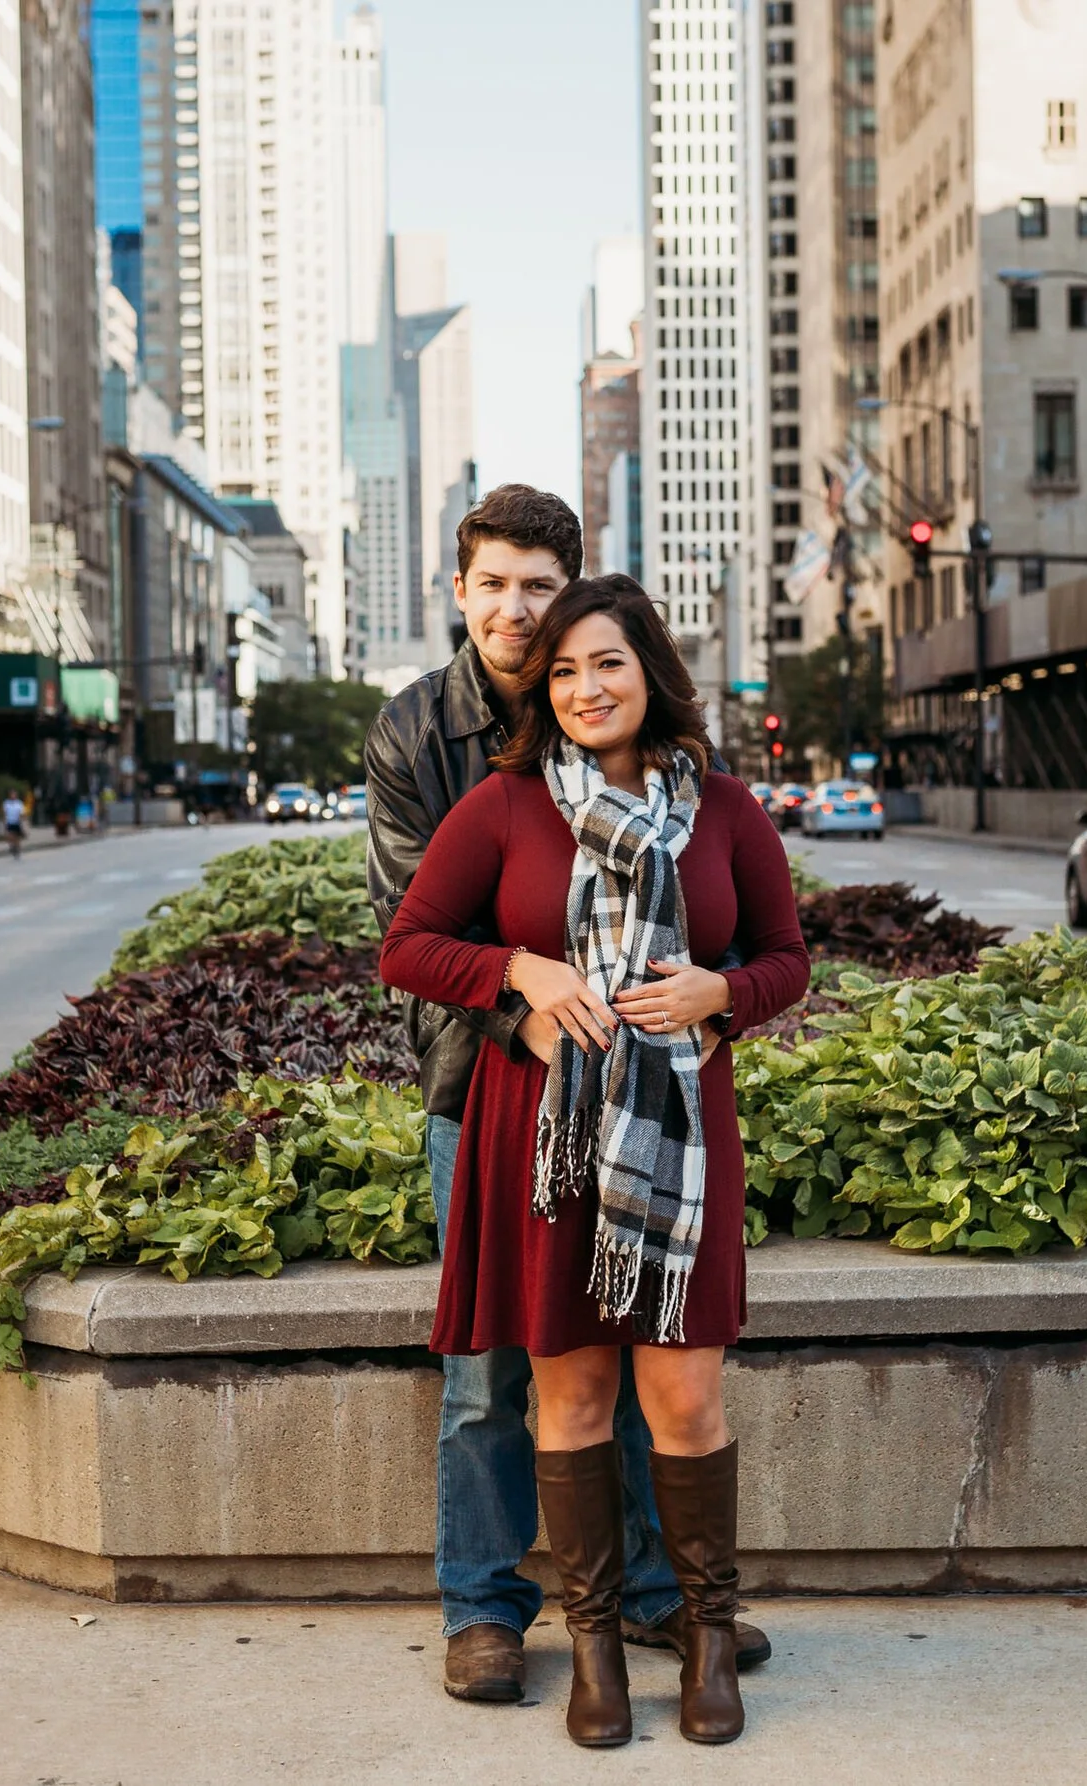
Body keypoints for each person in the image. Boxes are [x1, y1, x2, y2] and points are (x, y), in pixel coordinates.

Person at [368, 488, 777, 1710]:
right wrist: (525, 993)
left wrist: (718, 991)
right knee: (508, 1372)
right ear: (462, 593)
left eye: (539, 591)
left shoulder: (713, 800)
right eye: (492, 584)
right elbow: (412, 935)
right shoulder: (431, 745)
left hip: (673, 1126)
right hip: (502, 1100)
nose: (516, 611)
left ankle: (664, 1602)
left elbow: (780, 952)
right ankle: (490, 1610)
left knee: (666, 1374)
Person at [2, 788, 28, 859]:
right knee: (11, 836)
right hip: (10, 821)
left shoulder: (19, 803)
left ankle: (17, 849)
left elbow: (22, 812)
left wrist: (22, 819)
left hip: (17, 822)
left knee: (17, 838)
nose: (13, 796)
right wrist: (4, 822)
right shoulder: (6, 803)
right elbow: (5, 813)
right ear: (9, 795)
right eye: (12, 794)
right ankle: (12, 846)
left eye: (14, 794)